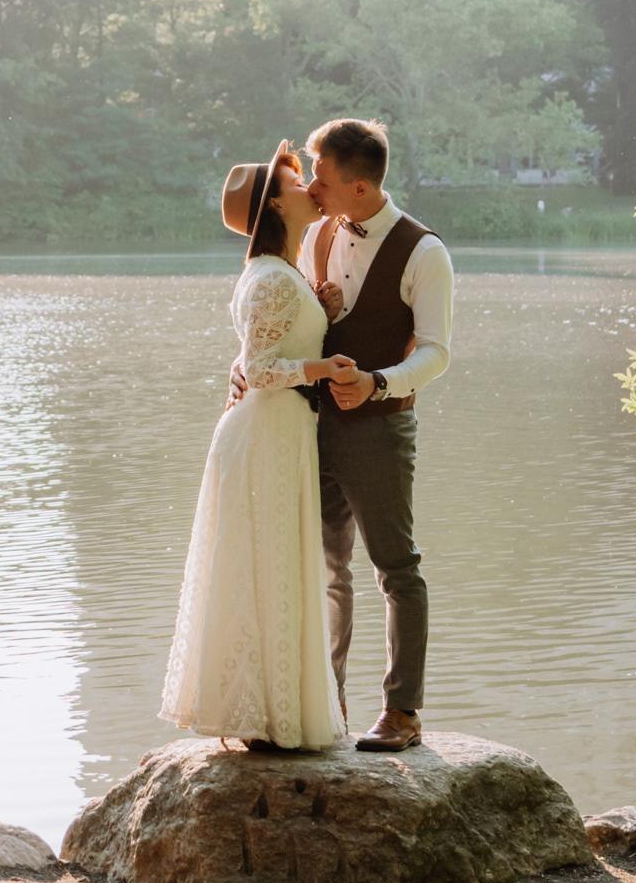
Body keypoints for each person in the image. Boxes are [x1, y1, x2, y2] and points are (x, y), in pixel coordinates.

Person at [159, 144, 363, 752]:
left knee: (276, 567)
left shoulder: (282, 272)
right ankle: (261, 714)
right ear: (277, 201)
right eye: (300, 183)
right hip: (265, 434)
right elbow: (262, 366)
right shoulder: (273, 277)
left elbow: (261, 349)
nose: (312, 189)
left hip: (279, 435)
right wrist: (323, 364)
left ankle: (277, 710)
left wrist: (320, 311)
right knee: (261, 566)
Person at [299, 116, 454, 753]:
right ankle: (326, 699)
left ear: (359, 187)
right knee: (326, 569)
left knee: (397, 569)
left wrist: (379, 383)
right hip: (309, 426)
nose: (312, 186)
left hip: (380, 430)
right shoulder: (316, 233)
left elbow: (438, 352)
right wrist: (322, 307)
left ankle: (402, 711)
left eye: (322, 176)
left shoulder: (424, 251)